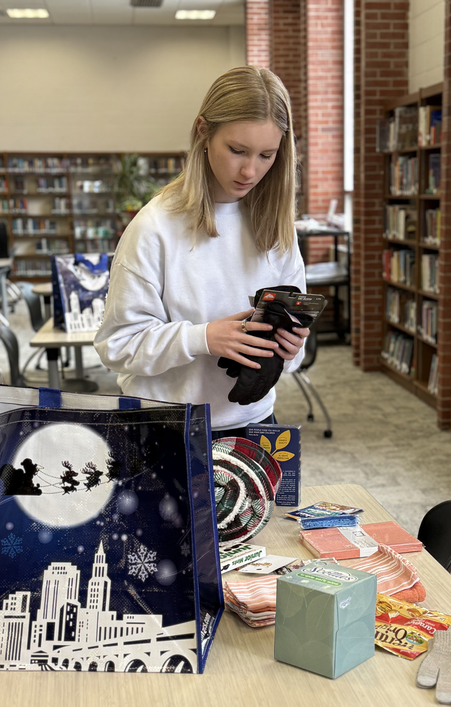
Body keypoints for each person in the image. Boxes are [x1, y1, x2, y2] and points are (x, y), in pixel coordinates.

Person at [94, 66, 308, 439]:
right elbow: (118, 346)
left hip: (255, 425)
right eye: (237, 150)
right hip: (167, 429)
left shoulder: (276, 225)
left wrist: (289, 348)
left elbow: (293, 358)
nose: (249, 170)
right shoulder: (154, 228)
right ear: (203, 132)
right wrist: (204, 338)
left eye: (266, 155)